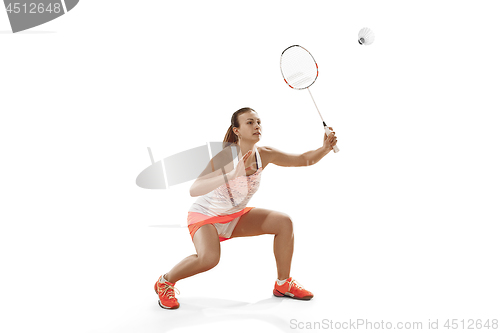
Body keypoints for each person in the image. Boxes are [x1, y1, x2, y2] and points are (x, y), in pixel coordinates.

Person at [154, 107, 338, 309]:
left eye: (258, 122)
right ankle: (165, 282)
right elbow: (194, 189)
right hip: (205, 215)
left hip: (233, 216)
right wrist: (232, 174)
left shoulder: (264, 155)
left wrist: (325, 149)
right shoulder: (226, 156)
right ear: (237, 130)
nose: (256, 126)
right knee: (209, 259)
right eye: (249, 122)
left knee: (283, 222)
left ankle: (283, 284)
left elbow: (303, 160)